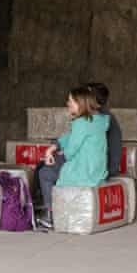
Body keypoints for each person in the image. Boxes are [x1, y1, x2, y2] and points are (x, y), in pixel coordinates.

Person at [37, 86, 109, 230]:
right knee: (53, 162)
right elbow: (71, 137)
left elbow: (70, 152)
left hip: (83, 173)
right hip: (97, 171)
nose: (67, 103)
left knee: (44, 173)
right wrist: (55, 147)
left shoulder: (81, 123)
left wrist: (56, 153)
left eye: (70, 101)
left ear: (80, 103)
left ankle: (50, 215)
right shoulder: (98, 120)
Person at [88, 82, 123, 178]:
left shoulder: (100, 118)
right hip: (105, 166)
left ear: (94, 100)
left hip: (105, 168)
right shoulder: (103, 116)